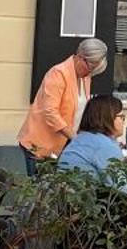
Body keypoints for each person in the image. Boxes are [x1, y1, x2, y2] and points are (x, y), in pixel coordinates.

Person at [18, 38, 108, 169]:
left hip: (65, 145)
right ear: (80, 57)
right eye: (91, 68)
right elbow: (50, 113)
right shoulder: (58, 73)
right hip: (41, 145)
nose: (90, 73)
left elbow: (79, 110)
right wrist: (75, 138)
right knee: (43, 186)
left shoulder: (85, 77)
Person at [55, 94, 127, 182]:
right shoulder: (105, 146)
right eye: (121, 117)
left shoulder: (81, 139)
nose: (123, 122)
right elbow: (120, 191)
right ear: (108, 117)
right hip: (88, 194)